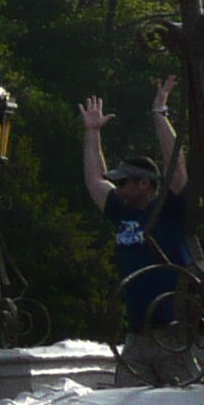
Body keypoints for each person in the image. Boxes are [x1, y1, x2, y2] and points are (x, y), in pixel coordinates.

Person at [82, 77, 190, 333]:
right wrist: (92, 132)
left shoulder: (168, 208)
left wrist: (159, 114)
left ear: (144, 183)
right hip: (138, 331)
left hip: (176, 332)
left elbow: (176, 167)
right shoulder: (122, 209)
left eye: (123, 183)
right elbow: (96, 180)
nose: (117, 189)